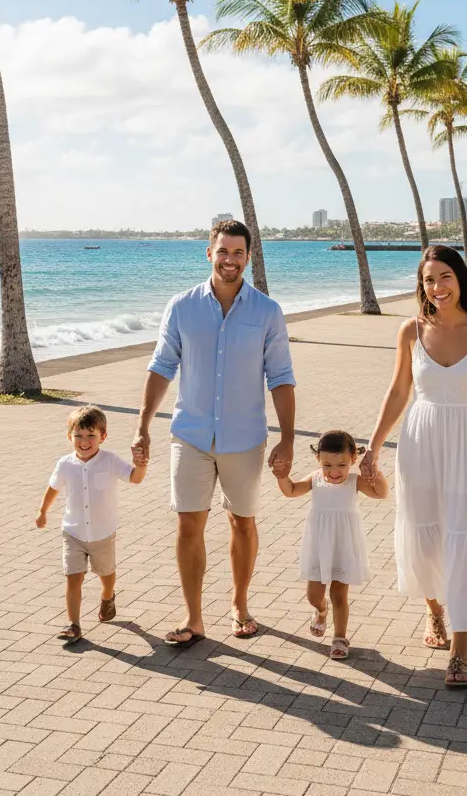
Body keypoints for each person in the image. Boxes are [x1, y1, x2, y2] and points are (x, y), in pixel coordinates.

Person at [133, 219, 296, 647]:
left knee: (242, 523)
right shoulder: (182, 307)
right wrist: (143, 427)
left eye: (238, 253)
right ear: (209, 253)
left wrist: (289, 438)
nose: (230, 260)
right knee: (189, 525)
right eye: (223, 251)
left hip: (245, 438)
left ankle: (240, 605)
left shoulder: (267, 312)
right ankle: (194, 618)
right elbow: (161, 366)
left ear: (248, 257)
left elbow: (281, 376)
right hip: (190, 435)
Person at [362, 245, 467, 688]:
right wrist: (372, 448)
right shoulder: (411, 331)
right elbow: (397, 393)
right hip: (421, 440)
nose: (438, 287)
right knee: (425, 532)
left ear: (461, 279)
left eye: (445, 277)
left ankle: (460, 649)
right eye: (429, 280)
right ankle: (435, 613)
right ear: (422, 286)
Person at [36, 405, 147, 644]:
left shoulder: (110, 461)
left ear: (102, 436)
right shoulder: (65, 463)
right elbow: (54, 487)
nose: (84, 441)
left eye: (91, 436)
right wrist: (43, 511)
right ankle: (73, 624)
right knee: (73, 577)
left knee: (106, 574)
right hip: (73, 531)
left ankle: (107, 596)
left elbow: (135, 478)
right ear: (70, 437)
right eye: (78, 435)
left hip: (102, 533)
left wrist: (142, 464)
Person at [275, 429, 389, 659]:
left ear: (353, 460)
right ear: (318, 459)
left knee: (340, 594)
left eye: (342, 465)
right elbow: (291, 490)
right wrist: (281, 476)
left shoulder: (355, 481)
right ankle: (321, 610)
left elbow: (381, 494)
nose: (334, 472)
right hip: (319, 545)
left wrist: (375, 472)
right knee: (313, 595)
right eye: (327, 465)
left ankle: (340, 638)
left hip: (344, 545)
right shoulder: (315, 479)